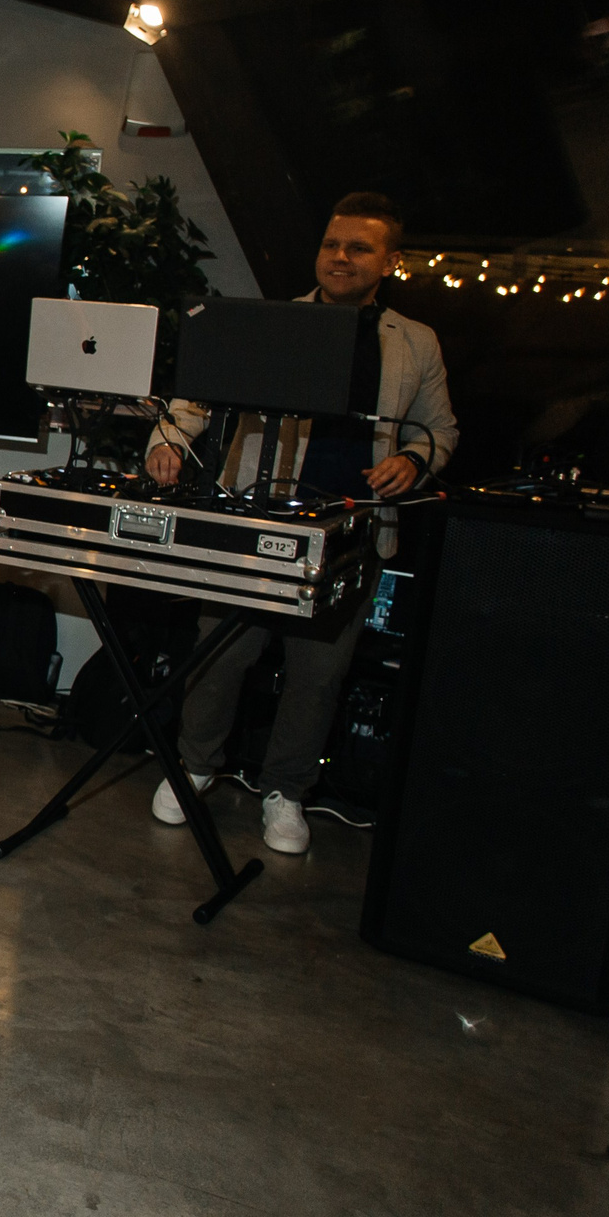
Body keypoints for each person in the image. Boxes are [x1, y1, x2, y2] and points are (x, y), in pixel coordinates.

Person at [142, 192, 457, 852]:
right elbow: (191, 400)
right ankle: (195, 765)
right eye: (331, 244)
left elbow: (440, 430)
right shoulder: (272, 323)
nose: (339, 257)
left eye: (359, 247)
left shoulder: (414, 342)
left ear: (390, 261)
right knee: (220, 653)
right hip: (258, 522)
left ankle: (286, 792)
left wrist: (412, 459)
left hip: (349, 533)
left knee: (318, 677)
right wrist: (165, 442)